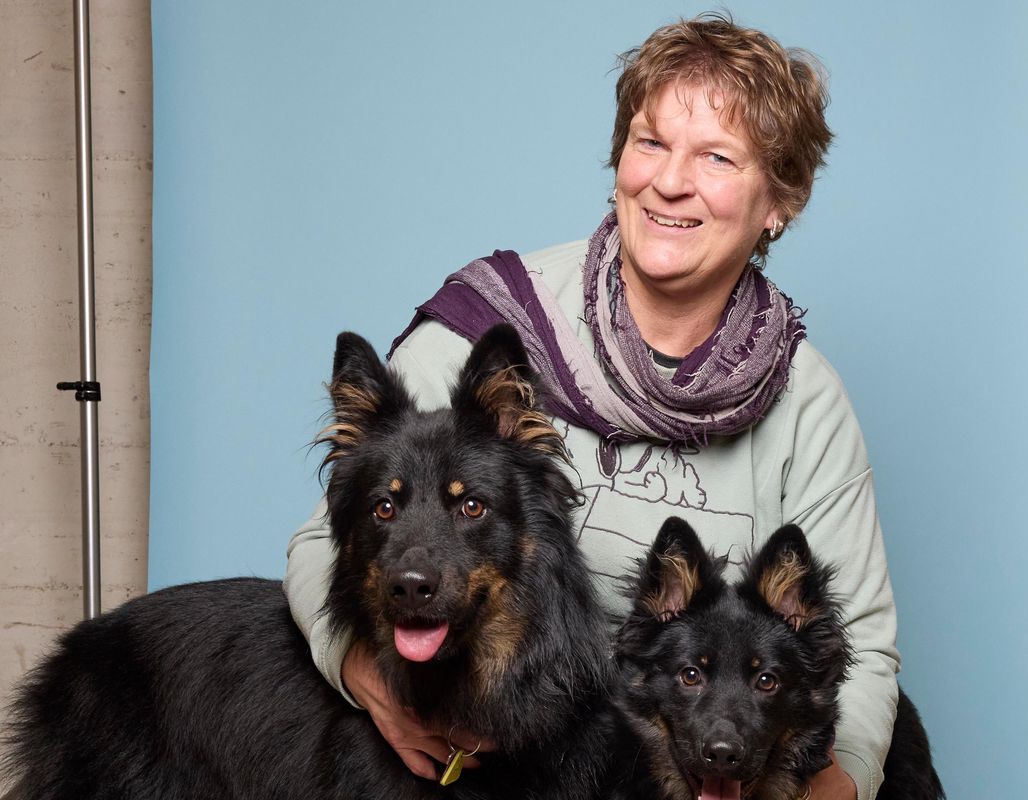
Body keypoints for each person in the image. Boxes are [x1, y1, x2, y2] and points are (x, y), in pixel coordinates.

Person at [284, 13, 898, 800]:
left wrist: (829, 793)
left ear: (780, 199)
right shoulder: (489, 327)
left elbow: (865, 650)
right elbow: (318, 547)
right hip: (507, 766)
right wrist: (371, 682)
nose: (670, 181)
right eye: (650, 143)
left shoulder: (805, 399)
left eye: (716, 157)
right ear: (618, 160)